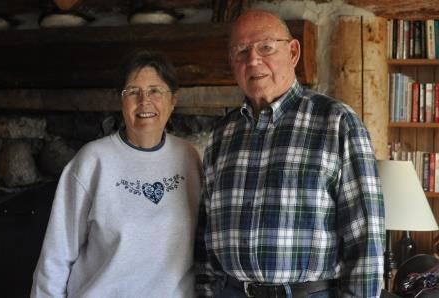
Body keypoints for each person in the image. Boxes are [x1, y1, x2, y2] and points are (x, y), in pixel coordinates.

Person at [195, 10, 385, 298]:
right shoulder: (222, 134)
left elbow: (365, 237)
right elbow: (206, 231)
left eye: (266, 47)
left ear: (293, 52)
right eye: (241, 51)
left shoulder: (336, 122)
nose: (253, 60)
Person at [31, 51, 202, 297]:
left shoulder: (189, 157)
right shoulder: (92, 161)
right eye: (133, 91)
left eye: (155, 90)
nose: (144, 101)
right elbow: (56, 255)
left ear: (173, 99)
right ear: (121, 101)